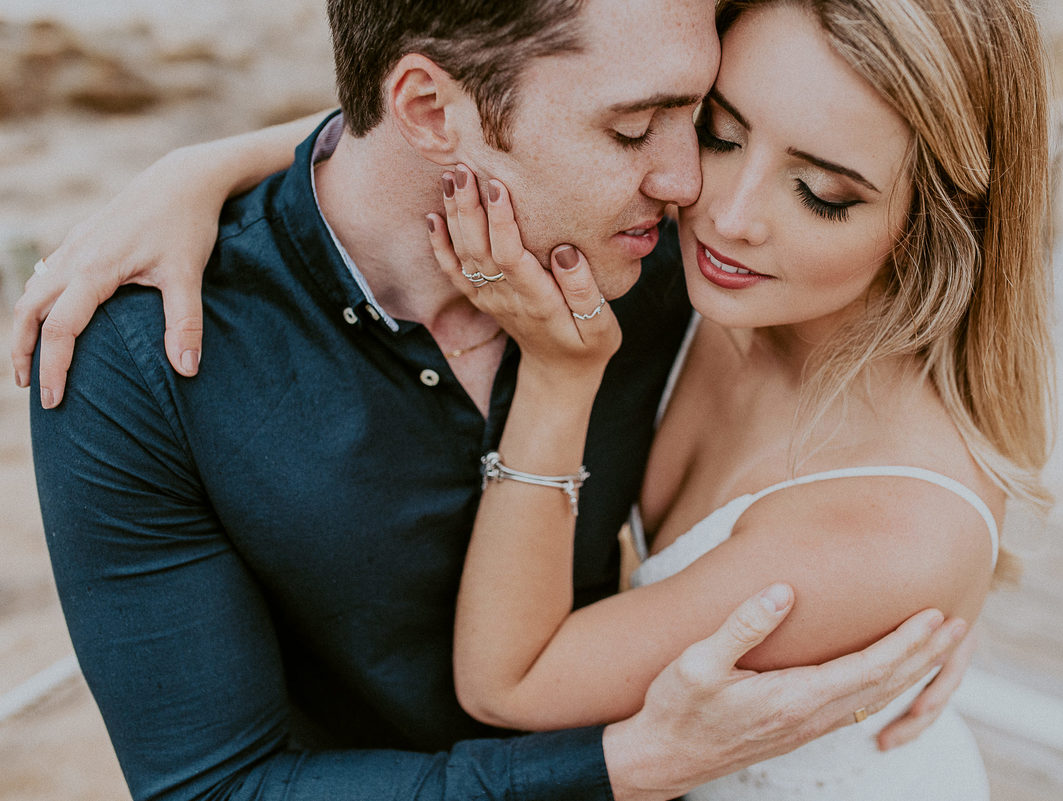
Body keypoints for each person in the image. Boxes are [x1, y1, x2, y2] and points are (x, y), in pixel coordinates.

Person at [17, 2, 972, 801]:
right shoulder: (140, 362)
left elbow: (923, 267)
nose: (693, 183)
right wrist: (625, 763)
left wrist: (924, 572)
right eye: (636, 128)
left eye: (701, 117)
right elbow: (210, 790)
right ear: (429, 109)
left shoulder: (685, 255)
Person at [424, 0, 1053, 798]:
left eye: (822, 193)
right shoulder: (730, 284)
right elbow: (448, 115)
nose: (726, 214)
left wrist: (559, 375)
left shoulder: (892, 530)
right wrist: (222, 168)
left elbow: (510, 681)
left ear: (936, 221)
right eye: (719, 133)